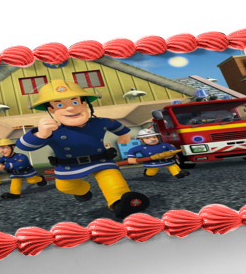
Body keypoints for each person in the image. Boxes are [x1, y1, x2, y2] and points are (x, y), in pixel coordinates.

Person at [16, 79, 149, 219]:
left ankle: (120, 203)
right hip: (68, 165)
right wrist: (40, 135)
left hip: (101, 160)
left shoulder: (99, 122)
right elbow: (23, 146)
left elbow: (114, 124)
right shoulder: (51, 130)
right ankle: (83, 190)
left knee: (113, 181)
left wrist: (123, 135)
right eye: (60, 105)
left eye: (75, 102)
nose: (70, 109)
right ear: (51, 110)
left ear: (84, 103)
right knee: (65, 186)